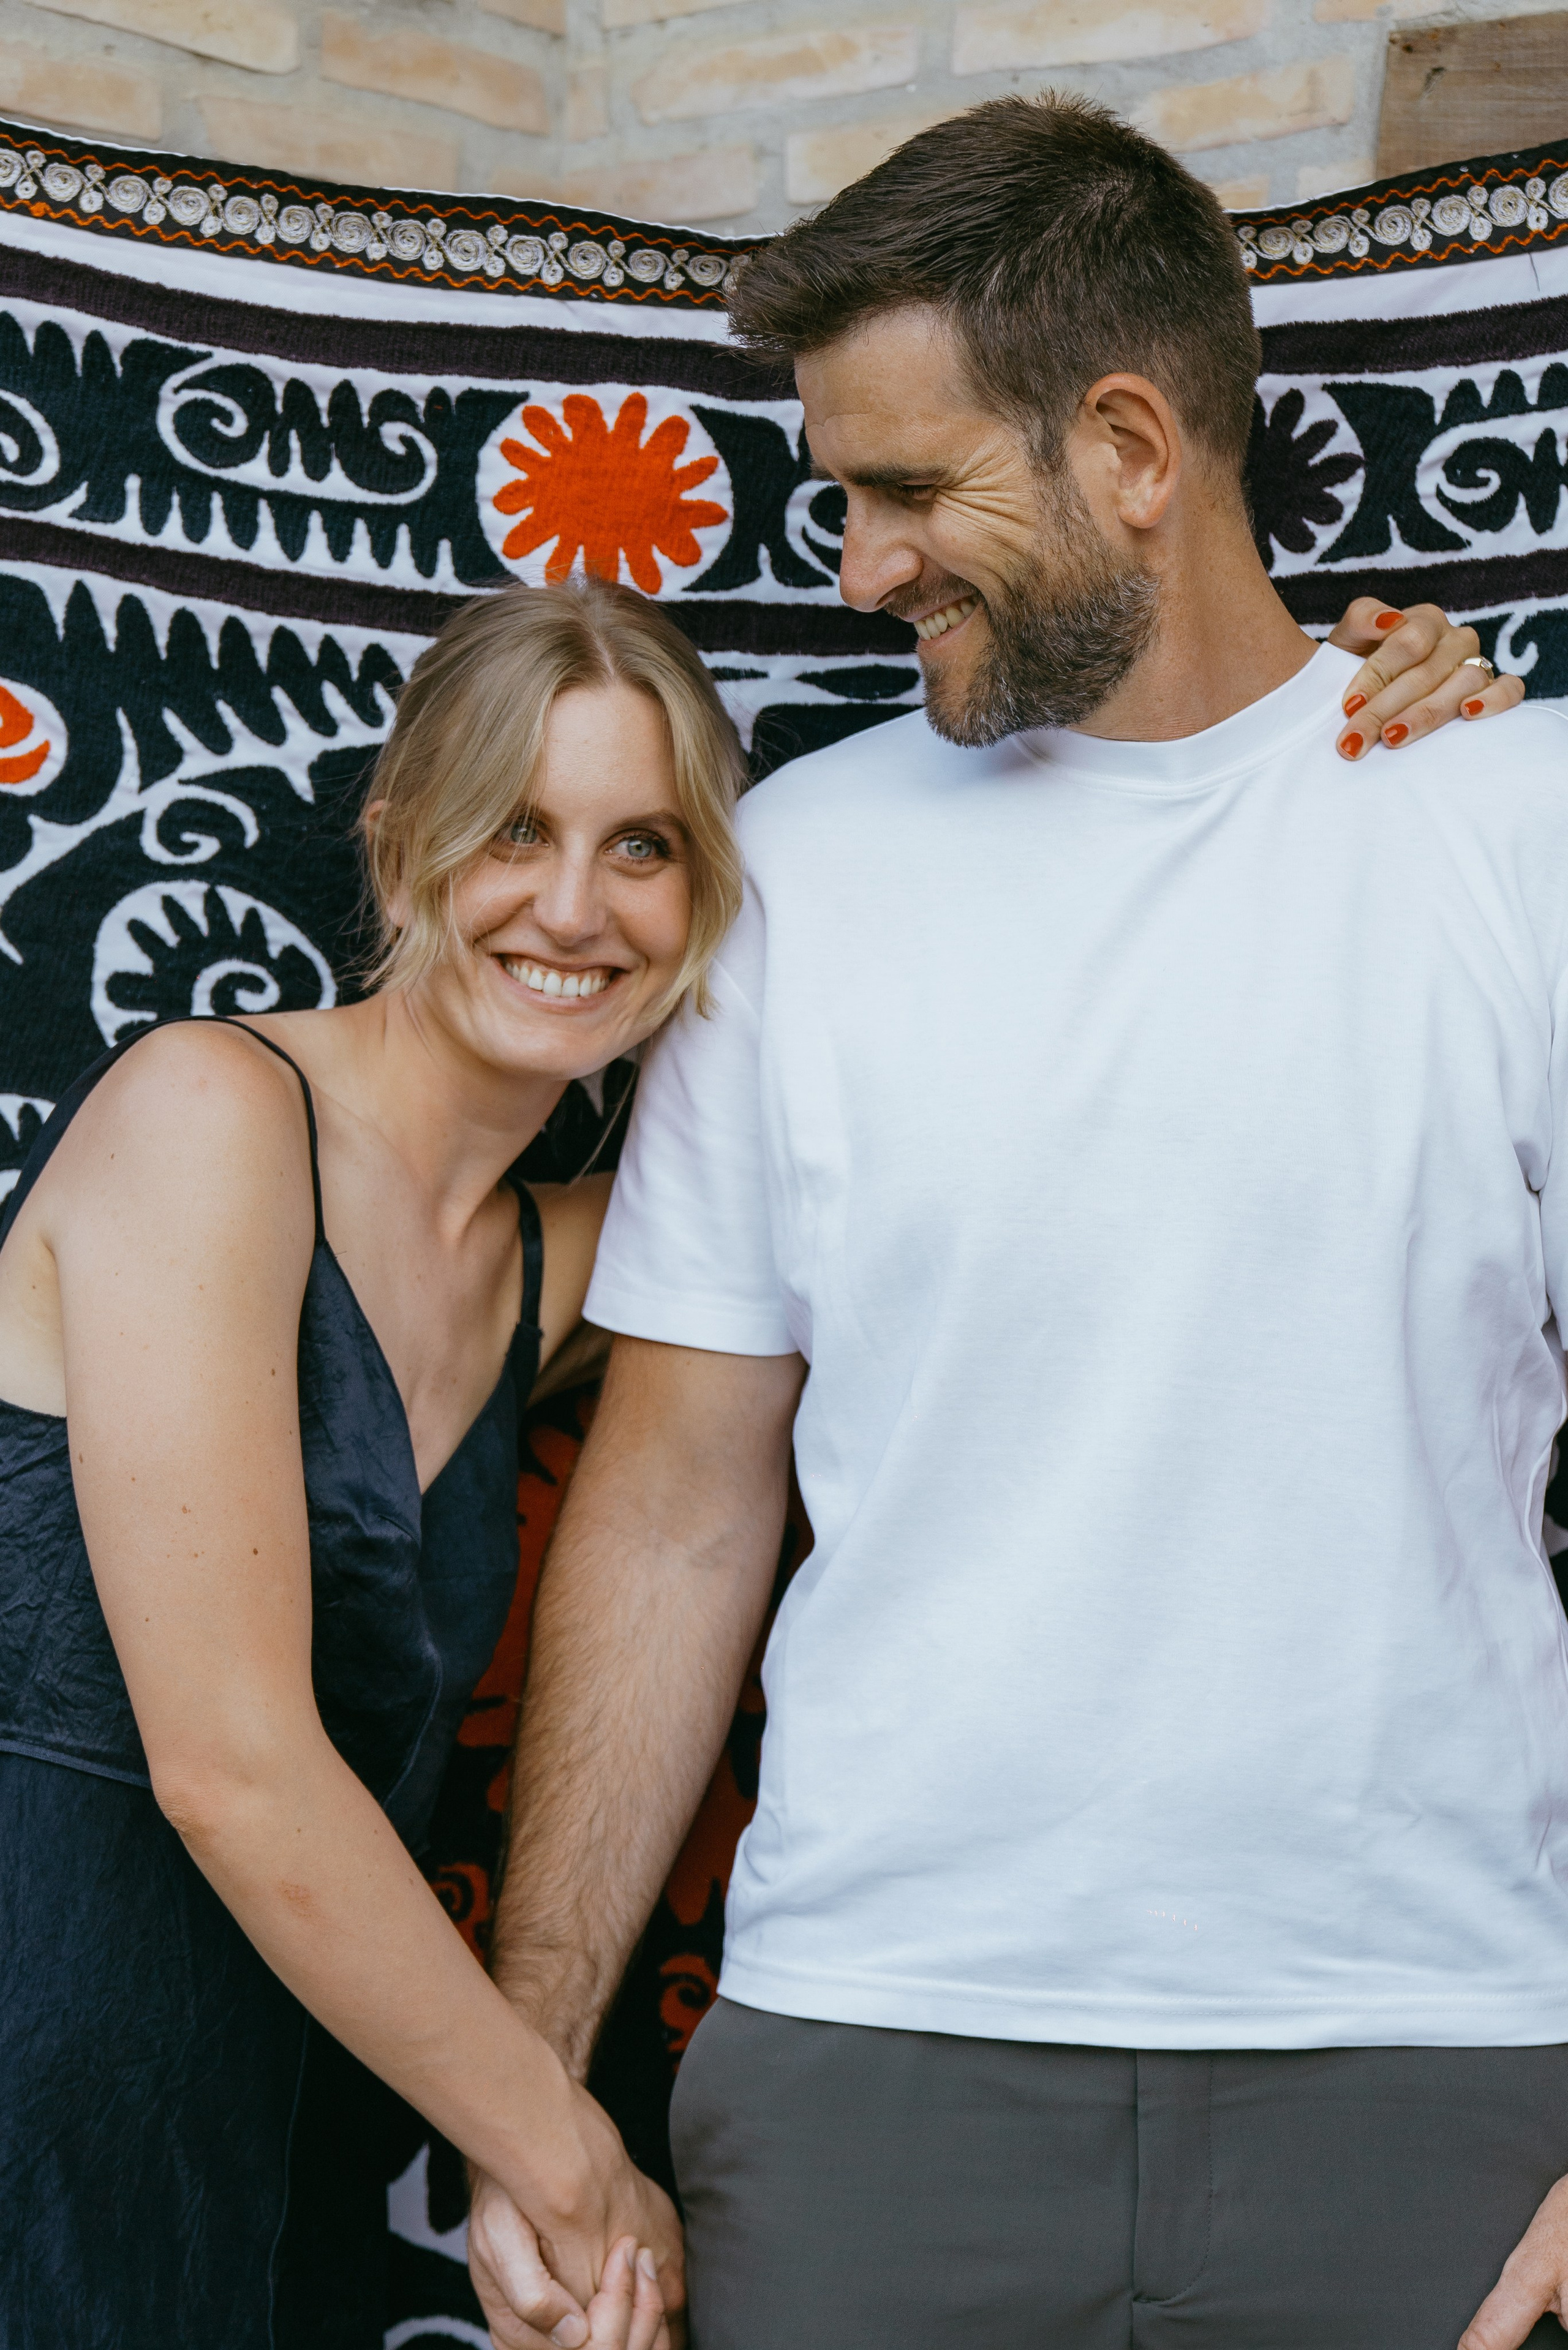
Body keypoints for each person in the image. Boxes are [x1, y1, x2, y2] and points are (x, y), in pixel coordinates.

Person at [470, 96, 1568, 2350]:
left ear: (1137, 448)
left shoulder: (1519, 827)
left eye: (905, 489)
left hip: (1439, 2062)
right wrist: (528, 2093)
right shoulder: (808, 877)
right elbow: (677, 1508)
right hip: (873, 2065)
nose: (858, 567)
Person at [0, 578, 744, 2350]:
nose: (574, 908)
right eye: (514, 831)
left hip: (266, 2138)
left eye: (642, 845)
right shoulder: (208, 1114)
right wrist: (568, 2168)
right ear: (404, 843)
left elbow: (910, 1173)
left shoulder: (565, 1269)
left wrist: (1338, 721)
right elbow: (232, 1766)